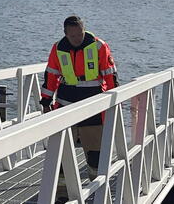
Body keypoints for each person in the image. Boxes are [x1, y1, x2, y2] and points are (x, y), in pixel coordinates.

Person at [40, 15, 119, 179]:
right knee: (61, 154)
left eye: (80, 34)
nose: (77, 38)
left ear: (84, 30)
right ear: (65, 34)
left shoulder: (99, 46)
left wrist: (115, 101)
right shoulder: (58, 48)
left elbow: (110, 76)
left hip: (93, 107)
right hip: (65, 105)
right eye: (73, 35)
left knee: (95, 154)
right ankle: (62, 194)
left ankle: (97, 190)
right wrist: (46, 102)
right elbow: (51, 76)